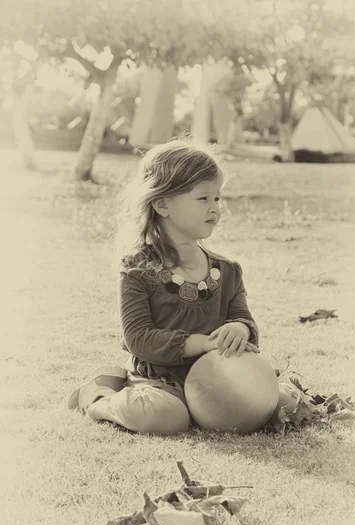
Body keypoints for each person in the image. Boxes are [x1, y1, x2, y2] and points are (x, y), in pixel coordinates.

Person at [67, 139, 266, 435]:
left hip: (219, 378)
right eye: (203, 199)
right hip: (162, 383)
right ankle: (100, 396)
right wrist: (203, 343)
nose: (215, 209)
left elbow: (242, 316)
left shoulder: (227, 271)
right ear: (162, 204)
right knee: (166, 417)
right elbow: (138, 337)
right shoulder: (138, 268)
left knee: (279, 403)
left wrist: (240, 329)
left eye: (217, 199)